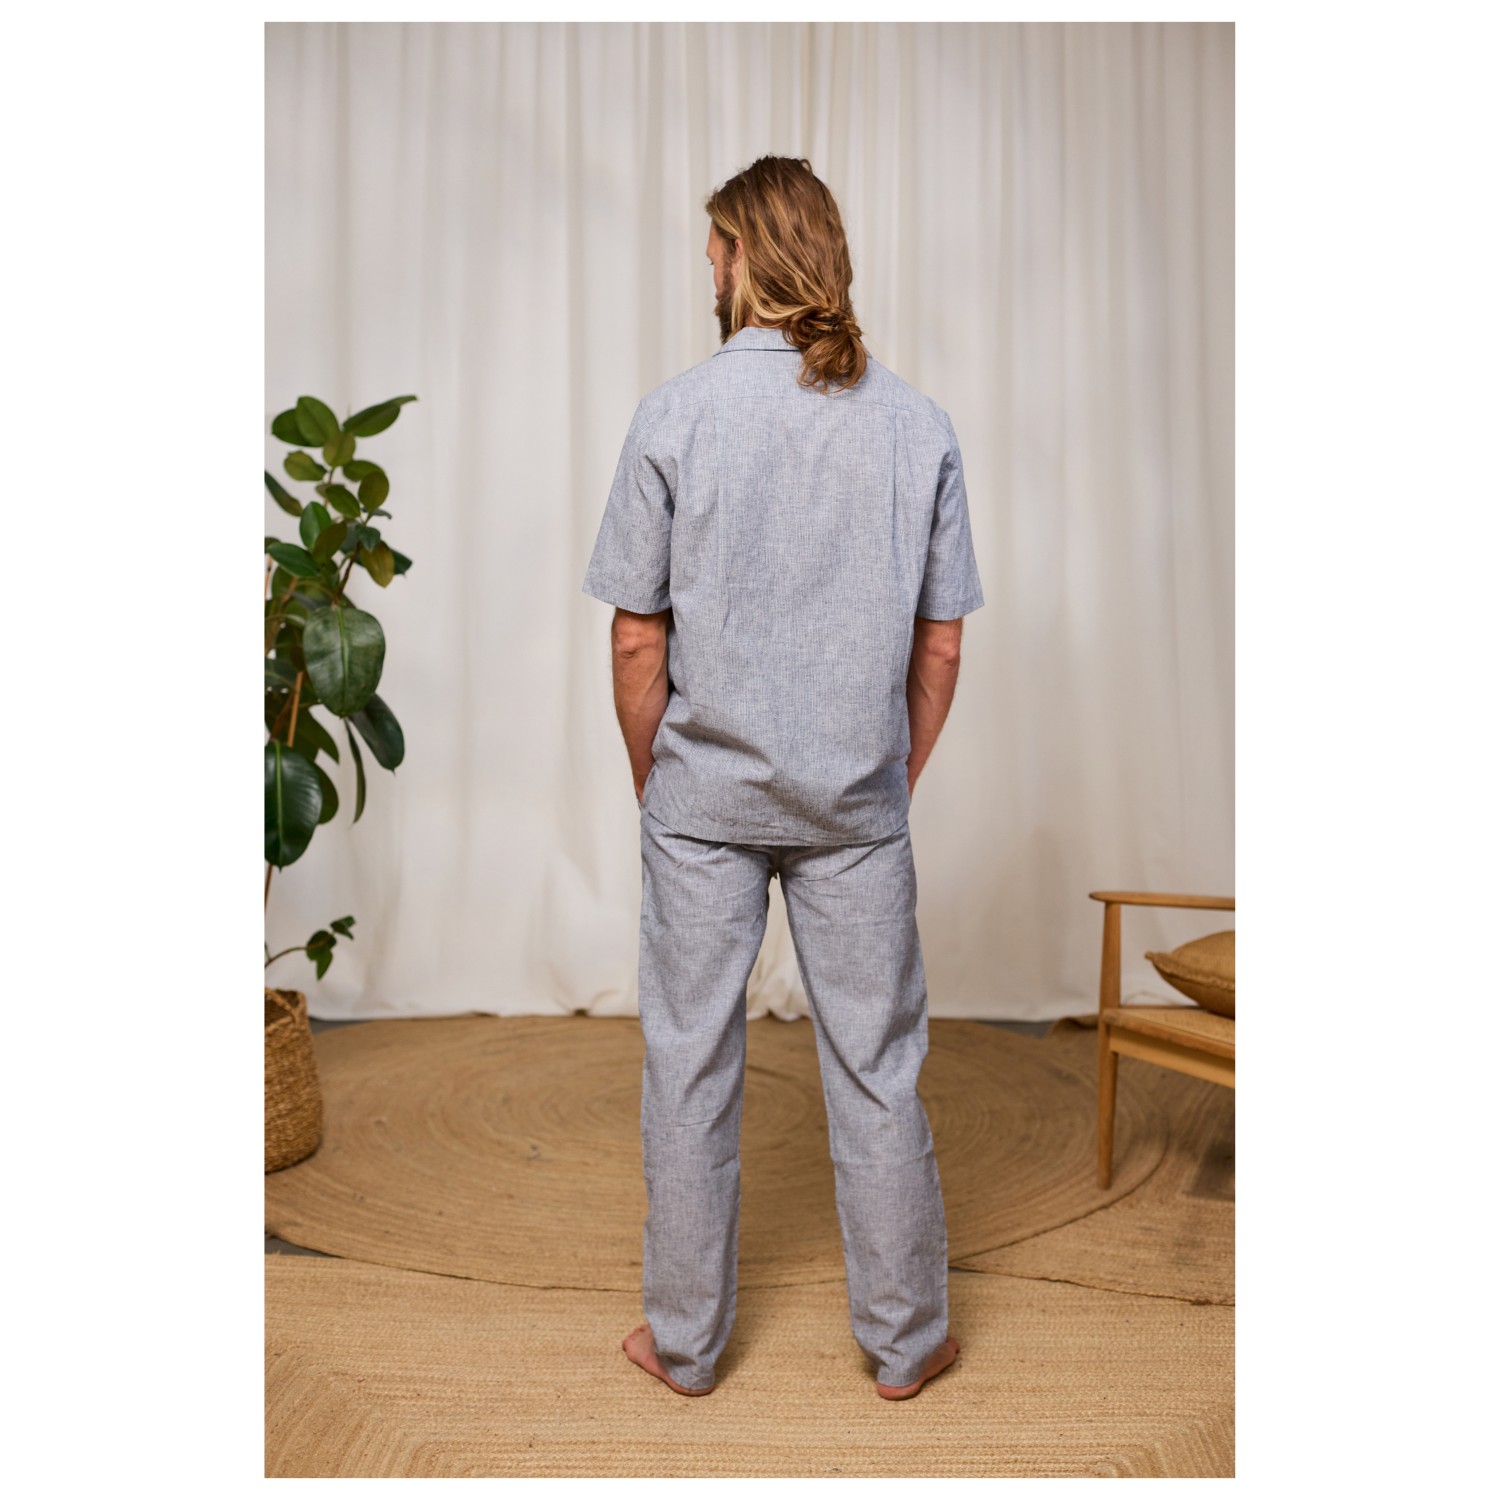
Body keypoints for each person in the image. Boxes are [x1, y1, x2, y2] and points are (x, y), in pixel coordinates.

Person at [582, 155, 983, 1401]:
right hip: (856, 806)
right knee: (878, 1068)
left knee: (689, 1064)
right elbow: (940, 646)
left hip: (702, 802)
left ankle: (686, 1345)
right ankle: (908, 1344)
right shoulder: (918, 425)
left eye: (714, 249)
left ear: (747, 258)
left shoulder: (674, 415)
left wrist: (658, 779)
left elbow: (637, 638)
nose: (706, 270)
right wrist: (885, 776)